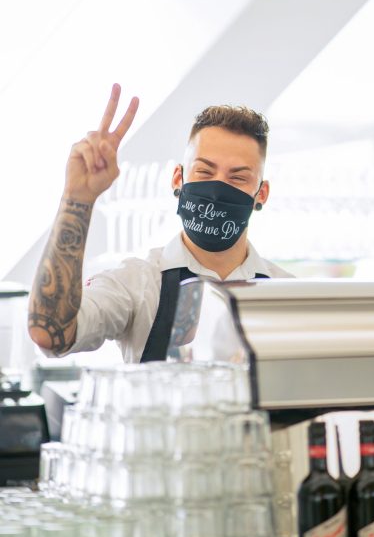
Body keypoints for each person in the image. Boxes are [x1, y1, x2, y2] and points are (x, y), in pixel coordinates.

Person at [28, 83, 290, 363]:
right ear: (178, 179)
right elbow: (51, 333)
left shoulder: (289, 295)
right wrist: (76, 198)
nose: (217, 189)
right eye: (204, 171)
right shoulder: (136, 283)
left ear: (261, 194)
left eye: (237, 178)